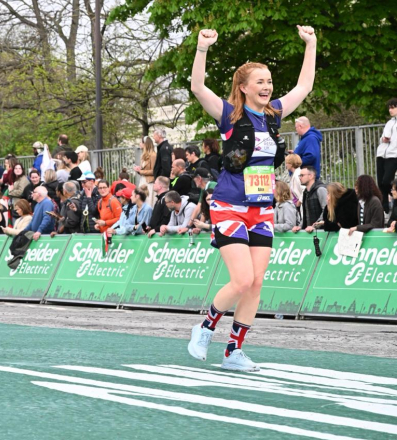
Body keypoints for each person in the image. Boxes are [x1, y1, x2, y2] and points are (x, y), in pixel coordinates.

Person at [187, 25, 316, 372]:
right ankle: (205, 327)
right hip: (229, 205)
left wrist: (311, 44)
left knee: (256, 283)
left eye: (270, 81)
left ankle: (234, 351)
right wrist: (202, 48)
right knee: (241, 280)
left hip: (261, 209)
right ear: (243, 87)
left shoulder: (273, 114)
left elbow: (304, 86)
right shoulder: (229, 115)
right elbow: (197, 86)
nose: (267, 86)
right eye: (260, 81)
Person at [376, 98, 397, 211]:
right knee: (380, 182)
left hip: (393, 155)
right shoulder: (389, 122)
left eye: (393, 108)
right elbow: (383, 138)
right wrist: (383, 139)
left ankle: (394, 195)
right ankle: (385, 206)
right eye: (389, 108)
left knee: (386, 181)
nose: (390, 110)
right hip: (382, 154)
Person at [293, 165, 327, 232]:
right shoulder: (305, 192)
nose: (300, 178)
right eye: (300, 175)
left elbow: (326, 210)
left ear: (311, 176)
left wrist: (315, 226)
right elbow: (306, 214)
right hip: (310, 231)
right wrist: (300, 226)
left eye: (302, 175)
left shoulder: (320, 190)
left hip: (321, 232)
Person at [134, 136, 157, 203]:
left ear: (145, 144)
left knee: (148, 200)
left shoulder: (153, 155)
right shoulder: (143, 155)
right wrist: (138, 170)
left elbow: (154, 171)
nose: (139, 144)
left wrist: (141, 171)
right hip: (143, 180)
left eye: (141, 142)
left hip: (149, 182)